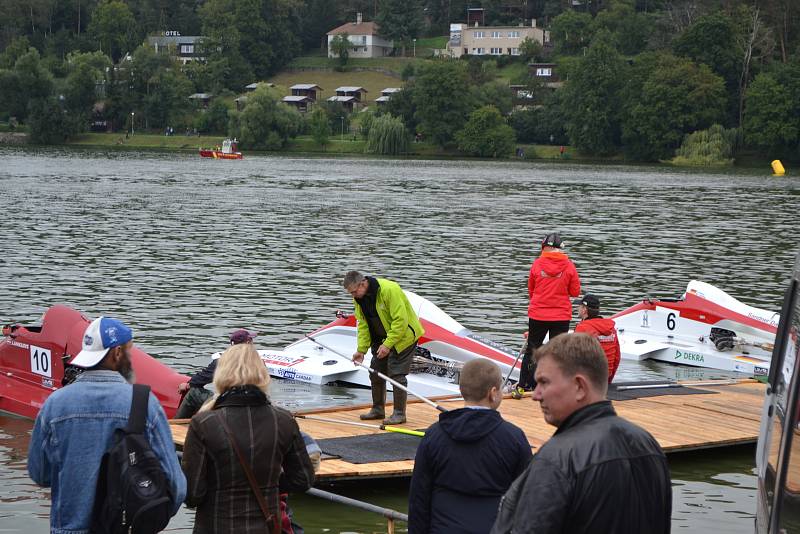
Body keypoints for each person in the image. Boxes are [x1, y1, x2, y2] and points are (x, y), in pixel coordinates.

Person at [491, 333, 671, 534]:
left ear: (579, 387)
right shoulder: (648, 444)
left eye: (544, 382)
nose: (536, 395)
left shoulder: (557, 458)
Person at [28, 317, 186, 533]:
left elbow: (40, 474)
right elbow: (176, 486)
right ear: (117, 353)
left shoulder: (55, 404)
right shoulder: (144, 403)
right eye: (129, 351)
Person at [182, 343, 315, 532]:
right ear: (262, 372)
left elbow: (193, 494)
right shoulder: (283, 420)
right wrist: (269, 483)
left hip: (217, 525)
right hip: (267, 525)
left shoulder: (203, 423)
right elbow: (303, 480)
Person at [408, 359, 532, 534]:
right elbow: (526, 500)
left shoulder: (434, 436)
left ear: (461, 389)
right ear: (493, 393)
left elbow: (418, 499)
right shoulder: (513, 438)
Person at [343, 270, 425, 425]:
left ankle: (399, 414)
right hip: (381, 338)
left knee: (397, 373)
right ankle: (378, 409)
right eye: (350, 294)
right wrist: (361, 350)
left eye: (354, 292)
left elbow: (400, 321)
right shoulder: (359, 300)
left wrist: (388, 344)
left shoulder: (389, 290)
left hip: (404, 336)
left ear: (363, 283)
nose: (353, 296)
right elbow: (363, 326)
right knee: (375, 372)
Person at [513, 232, 580, 399]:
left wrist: (540, 301)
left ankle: (522, 387)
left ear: (544, 247)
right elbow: (575, 292)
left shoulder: (537, 264)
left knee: (532, 351)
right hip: (561, 315)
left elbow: (531, 289)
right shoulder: (569, 266)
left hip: (538, 314)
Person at [175, 328, 257, 419]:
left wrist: (188, 384)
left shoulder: (222, 361)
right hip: (253, 406)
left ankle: (175, 425)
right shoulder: (259, 363)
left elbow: (202, 378)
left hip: (228, 407)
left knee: (194, 393)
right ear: (248, 343)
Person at [574, 293, 621, 383]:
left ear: (584, 310)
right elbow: (617, 357)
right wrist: (608, 382)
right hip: (604, 378)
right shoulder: (611, 329)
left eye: (579, 306)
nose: (577, 309)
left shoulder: (582, 328)